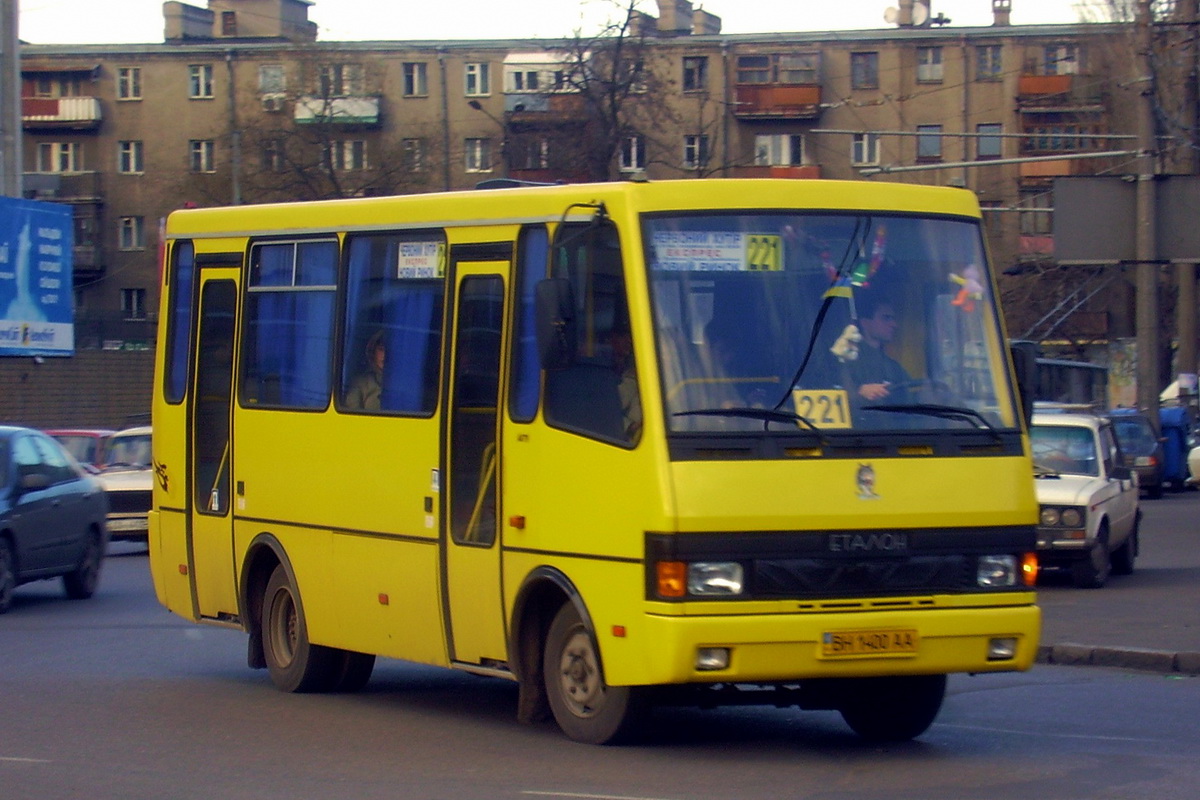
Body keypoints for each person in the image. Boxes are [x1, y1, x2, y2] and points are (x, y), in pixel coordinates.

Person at [844, 291, 910, 403]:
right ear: (865, 323)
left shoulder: (893, 367)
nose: (894, 324)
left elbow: (910, 396)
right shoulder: (846, 362)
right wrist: (859, 393)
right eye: (886, 318)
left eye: (892, 318)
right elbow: (832, 393)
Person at [345, 330, 385, 410]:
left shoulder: (406, 383)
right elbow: (351, 415)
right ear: (373, 352)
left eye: (389, 349)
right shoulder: (360, 383)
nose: (384, 355)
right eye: (381, 349)